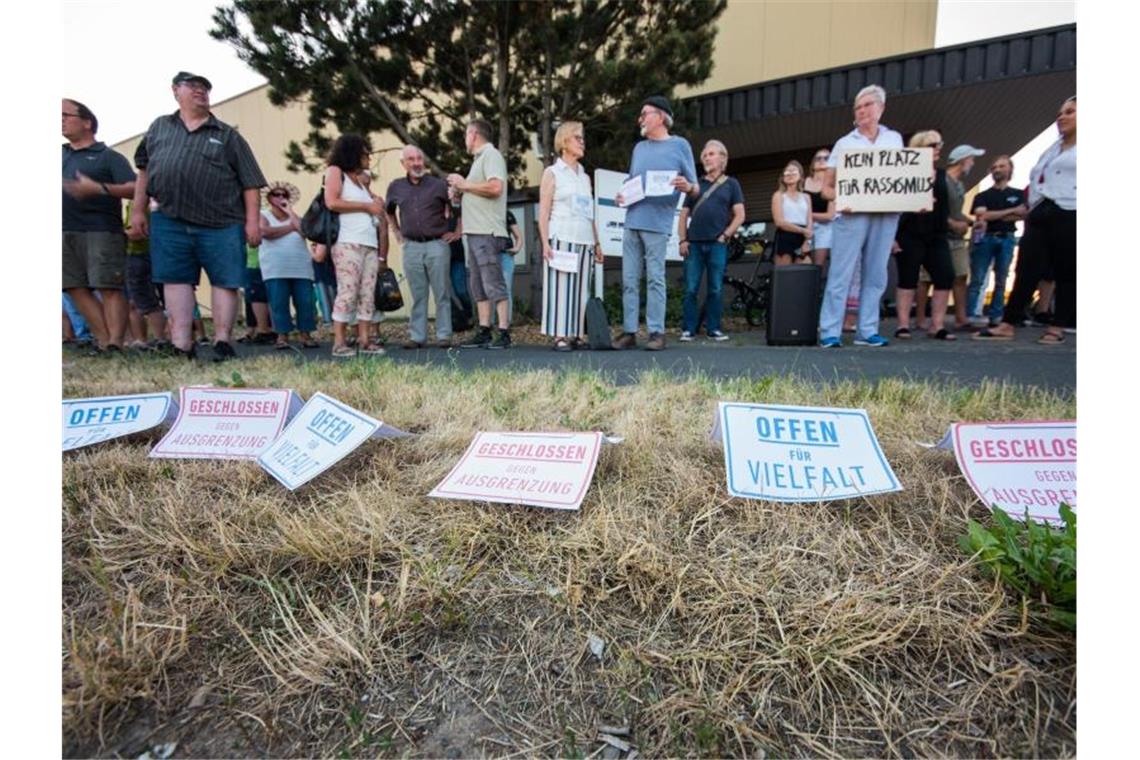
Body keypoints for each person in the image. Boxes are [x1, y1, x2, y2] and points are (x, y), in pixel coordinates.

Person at [129, 72, 266, 361]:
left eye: (205, 87)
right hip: (169, 218)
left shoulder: (227, 135)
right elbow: (144, 171)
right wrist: (139, 210)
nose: (201, 91)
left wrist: (252, 221)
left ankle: (222, 341)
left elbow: (251, 182)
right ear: (175, 91)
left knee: (225, 279)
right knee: (175, 280)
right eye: (193, 86)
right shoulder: (158, 128)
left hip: (222, 222)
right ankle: (182, 345)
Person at [976, 96, 1076, 344]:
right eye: (1060, 112)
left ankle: (1058, 326)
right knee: (1026, 268)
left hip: (1070, 211)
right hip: (1040, 212)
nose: (1061, 116)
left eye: (1070, 112)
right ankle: (1009, 322)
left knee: (1066, 271)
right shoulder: (1052, 150)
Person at [818, 84, 903, 348]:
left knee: (877, 274)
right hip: (852, 216)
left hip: (885, 214)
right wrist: (843, 199)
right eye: (858, 107)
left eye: (868, 105)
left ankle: (867, 330)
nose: (863, 110)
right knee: (841, 273)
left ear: (881, 107)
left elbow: (904, 180)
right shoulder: (845, 143)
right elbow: (826, 188)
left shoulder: (894, 139)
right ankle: (830, 331)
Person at [612, 96, 699, 351]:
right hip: (632, 221)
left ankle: (656, 333)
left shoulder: (679, 145)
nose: (640, 119)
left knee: (655, 279)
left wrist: (688, 186)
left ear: (660, 116)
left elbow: (694, 187)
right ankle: (629, 332)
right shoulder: (639, 148)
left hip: (657, 224)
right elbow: (631, 182)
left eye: (644, 114)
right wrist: (622, 195)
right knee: (629, 279)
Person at [62, 98, 136, 354]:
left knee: (109, 286)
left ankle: (116, 341)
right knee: (73, 286)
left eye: (65, 114)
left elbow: (135, 188)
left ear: (87, 122)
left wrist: (98, 189)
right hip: (63, 230)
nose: (59, 120)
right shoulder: (58, 155)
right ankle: (105, 340)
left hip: (101, 230)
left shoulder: (108, 156)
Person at [537, 121, 604, 351]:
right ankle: (560, 336)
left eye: (583, 138)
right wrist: (545, 242)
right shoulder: (552, 173)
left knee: (581, 289)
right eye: (578, 137)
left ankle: (575, 334)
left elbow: (590, 212)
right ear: (564, 142)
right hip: (561, 236)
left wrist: (597, 242)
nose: (582, 142)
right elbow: (543, 211)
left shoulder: (585, 177)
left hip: (584, 238)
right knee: (561, 287)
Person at [448, 119, 512, 350]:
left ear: (473, 134)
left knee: (493, 282)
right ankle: (484, 330)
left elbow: (496, 188)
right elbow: (477, 192)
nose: (465, 140)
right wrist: (458, 195)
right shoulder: (478, 161)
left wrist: (464, 185)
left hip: (487, 231)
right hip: (474, 233)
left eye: (466, 135)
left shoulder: (491, 155)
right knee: (477, 284)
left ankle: (504, 332)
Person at [323, 133, 388, 357]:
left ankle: (364, 339)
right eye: (365, 153)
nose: (369, 157)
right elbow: (331, 202)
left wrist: (375, 203)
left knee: (367, 293)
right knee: (348, 291)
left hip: (368, 242)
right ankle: (339, 342)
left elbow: (372, 208)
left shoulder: (359, 181)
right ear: (352, 153)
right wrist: (366, 206)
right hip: (347, 242)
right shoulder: (335, 172)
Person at [385, 145, 453, 349]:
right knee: (418, 294)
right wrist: (396, 232)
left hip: (437, 245)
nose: (416, 163)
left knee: (442, 292)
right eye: (411, 159)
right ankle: (417, 337)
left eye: (419, 158)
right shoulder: (395, 186)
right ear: (403, 163)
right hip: (411, 247)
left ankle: (444, 336)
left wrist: (457, 230)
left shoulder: (438, 185)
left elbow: (456, 206)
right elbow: (389, 211)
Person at [892, 131, 957, 340]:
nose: (938, 148)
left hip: (936, 234)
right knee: (908, 277)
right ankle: (903, 325)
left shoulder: (941, 175)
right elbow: (895, 208)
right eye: (932, 145)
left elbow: (945, 208)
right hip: (910, 232)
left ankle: (937, 325)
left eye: (939, 144)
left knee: (945, 274)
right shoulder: (905, 174)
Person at [678, 139, 744, 341]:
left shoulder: (732, 184)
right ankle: (688, 329)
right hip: (694, 244)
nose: (707, 158)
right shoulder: (696, 186)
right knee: (690, 288)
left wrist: (725, 235)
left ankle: (713, 328)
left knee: (715, 288)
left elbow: (740, 215)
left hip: (717, 244)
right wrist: (682, 240)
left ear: (723, 158)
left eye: (711, 154)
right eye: (705, 155)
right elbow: (683, 215)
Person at [966, 155, 1027, 326]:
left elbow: (1022, 214)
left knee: (1002, 279)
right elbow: (982, 215)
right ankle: (970, 315)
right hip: (985, 238)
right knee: (977, 278)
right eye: (994, 167)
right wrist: (1011, 211)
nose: (998, 170)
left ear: (1010, 169)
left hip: (1007, 238)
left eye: (1002, 166)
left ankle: (996, 316)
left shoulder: (1018, 194)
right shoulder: (983, 195)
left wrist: (996, 215)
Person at [259, 181, 318, 350]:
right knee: (279, 302)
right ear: (269, 199)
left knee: (305, 301)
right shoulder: (263, 215)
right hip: (276, 268)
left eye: (284, 195)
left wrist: (290, 213)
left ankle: (305, 334)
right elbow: (265, 232)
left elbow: (304, 231)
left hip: (301, 267)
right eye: (276, 195)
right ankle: (282, 335)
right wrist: (289, 227)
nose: (281, 198)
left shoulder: (296, 217)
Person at [122, 200, 169, 350]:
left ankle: (148, 339)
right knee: (162, 299)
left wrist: (115, 234)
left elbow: (136, 233)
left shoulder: (137, 203)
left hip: (138, 254)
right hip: (161, 253)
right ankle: (159, 338)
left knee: (139, 301)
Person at [770, 160, 813, 267]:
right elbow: (779, 222)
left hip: (803, 238)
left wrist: (807, 241)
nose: (790, 174)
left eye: (793, 171)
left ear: (800, 176)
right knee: (784, 276)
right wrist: (803, 231)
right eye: (787, 172)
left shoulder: (806, 197)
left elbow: (810, 220)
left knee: (803, 274)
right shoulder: (778, 195)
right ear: (783, 177)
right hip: (785, 236)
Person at [804, 148, 837, 268]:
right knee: (800, 263)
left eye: (826, 158)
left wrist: (807, 215)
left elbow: (830, 215)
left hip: (824, 229)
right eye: (818, 158)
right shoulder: (803, 182)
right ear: (813, 164)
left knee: (817, 266)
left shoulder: (832, 185)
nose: (822, 160)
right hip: (801, 228)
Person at [239, 242, 275, 344]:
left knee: (258, 298)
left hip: (256, 262)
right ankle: (254, 329)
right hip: (253, 261)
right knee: (251, 298)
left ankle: (264, 331)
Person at [501, 209, 523, 324]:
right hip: (488, 254)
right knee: (489, 289)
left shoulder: (507, 213)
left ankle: (506, 323)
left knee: (505, 289)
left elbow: (518, 236)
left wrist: (517, 248)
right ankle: (489, 324)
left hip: (505, 254)